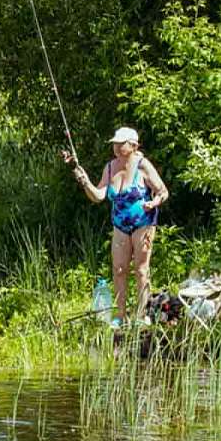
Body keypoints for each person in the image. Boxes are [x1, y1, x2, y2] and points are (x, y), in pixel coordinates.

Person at [64, 127, 169, 328]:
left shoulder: (143, 165)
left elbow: (162, 191)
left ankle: (142, 314)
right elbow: (98, 196)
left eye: (121, 143)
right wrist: (84, 180)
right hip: (120, 225)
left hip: (143, 223)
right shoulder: (110, 168)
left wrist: (153, 203)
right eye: (115, 143)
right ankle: (120, 315)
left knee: (140, 269)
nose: (117, 147)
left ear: (133, 145)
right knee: (119, 269)